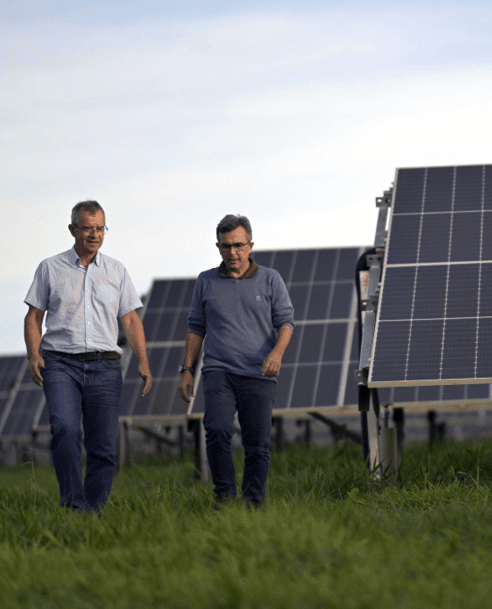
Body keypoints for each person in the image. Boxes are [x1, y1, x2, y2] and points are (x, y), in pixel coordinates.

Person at [24, 200, 151, 512]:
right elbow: (33, 316)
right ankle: (73, 504)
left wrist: (144, 362)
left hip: (106, 367)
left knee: (103, 447)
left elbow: (131, 320)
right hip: (60, 364)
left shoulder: (117, 271)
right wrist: (33, 355)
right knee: (65, 429)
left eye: (100, 229)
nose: (94, 235)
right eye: (87, 229)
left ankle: (92, 513)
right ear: (72, 230)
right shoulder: (50, 268)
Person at [178, 214, 294, 507]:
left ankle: (253, 504)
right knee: (216, 429)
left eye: (238, 245)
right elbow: (195, 327)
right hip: (219, 370)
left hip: (259, 373)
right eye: (225, 246)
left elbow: (286, 322)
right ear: (218, 247)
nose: (232, 252)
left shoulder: (270, 279)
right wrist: (187, 369)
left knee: (257, 444)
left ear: (250, 245)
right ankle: (225, 498)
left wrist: (277, 353)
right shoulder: (206, 281)